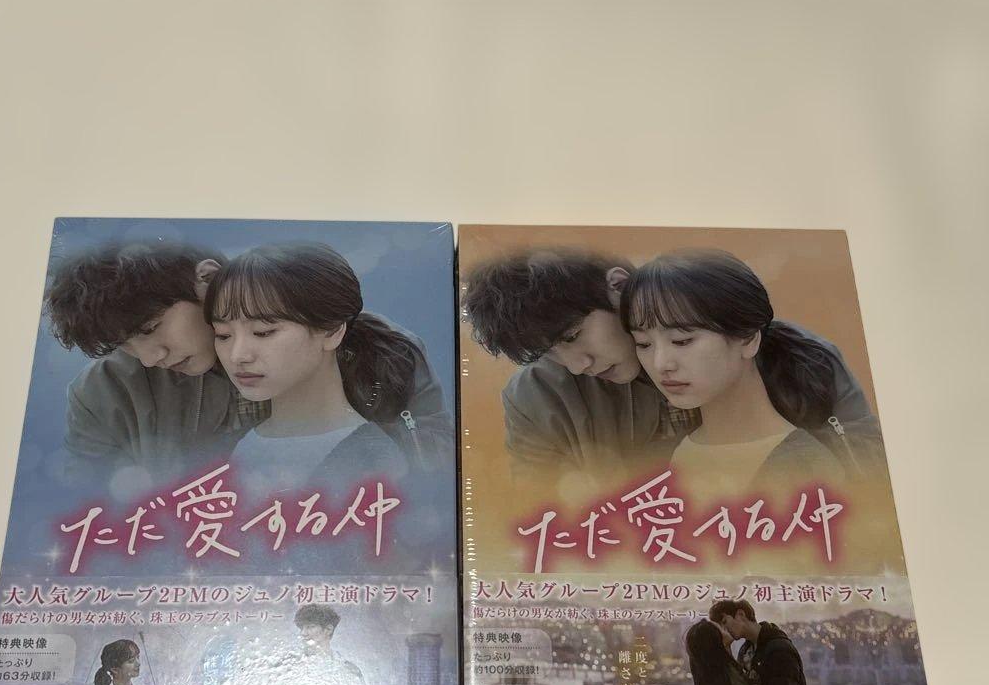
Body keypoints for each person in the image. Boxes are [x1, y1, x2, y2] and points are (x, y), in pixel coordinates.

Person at [47, 241, 449, 482]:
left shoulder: (383, 350)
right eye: (125, 344)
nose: (150, 358)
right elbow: (88, 506)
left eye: (151, 328)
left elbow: (437, 471)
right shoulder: (104, 393)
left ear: (206, 280)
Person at [462, 247, 872, 482]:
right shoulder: (536, 398)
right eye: (547, 351)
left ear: (618, 286)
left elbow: (869, 490)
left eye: (572, 335)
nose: (575, 365)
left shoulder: (798, 357)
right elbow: (534, 521)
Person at [621, 249, 885, 497]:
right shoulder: (664, 458)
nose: (660, 363)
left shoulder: (806, 467)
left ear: (748, 339)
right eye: (643, 344)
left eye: (682, 341)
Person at [205, 243, 452, 491]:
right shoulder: (235, 448)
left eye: (263, 332)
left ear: (332, 331)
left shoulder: (374, 458)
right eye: (223, 335)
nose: (237, 355)